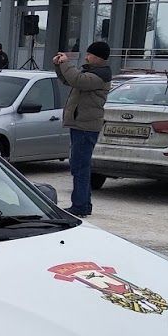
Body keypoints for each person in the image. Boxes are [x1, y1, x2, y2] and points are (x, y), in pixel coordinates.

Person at [54, 40, 113, 217]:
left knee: (80, 166)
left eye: (89, 54)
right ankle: (83, 204)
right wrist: (59, 66)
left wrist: (66, 62)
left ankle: (80, 205)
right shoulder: (92, 72)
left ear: (97, 57)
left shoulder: (100, 75)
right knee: (79, 165)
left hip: (86, 126)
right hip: (80, 124)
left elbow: (77, 79)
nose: (86, 57)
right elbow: (68, 79)